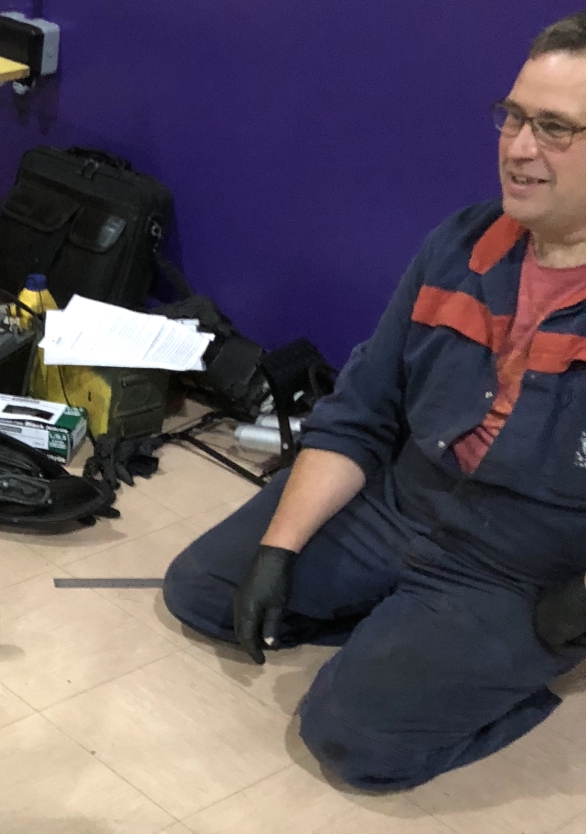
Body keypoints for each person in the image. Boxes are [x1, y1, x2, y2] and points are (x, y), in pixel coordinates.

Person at [163, 11, 586, 790]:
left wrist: (568, 613)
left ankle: (497, 680)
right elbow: (361, 412)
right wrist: (279, 549)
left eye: (556, 129)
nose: (520, 149)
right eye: (515, 117)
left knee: (354, 742)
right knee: (202, 591)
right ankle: (399, 629)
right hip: (403, 500)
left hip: (520, 566)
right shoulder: (460, 244)